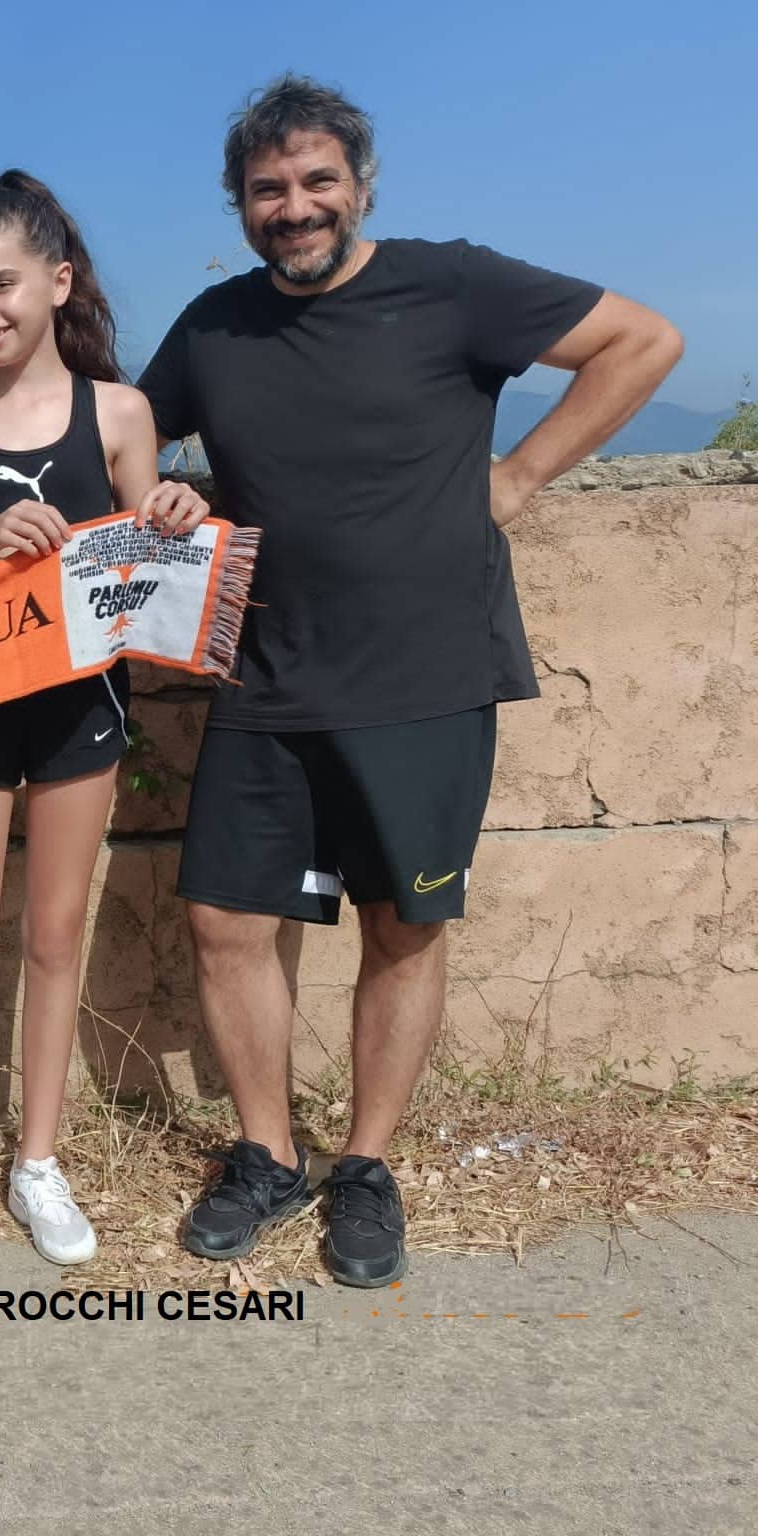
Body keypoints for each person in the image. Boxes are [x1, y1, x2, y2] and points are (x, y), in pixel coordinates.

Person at [137, 75, 683, 1287]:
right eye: (266, 189)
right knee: (225, 920)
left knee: (404, 922)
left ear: (360, 186)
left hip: (425, 672)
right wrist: (158, 490)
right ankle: (266, 1156)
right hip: (266, 671)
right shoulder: (213, 325)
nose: (294, 206)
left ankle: (364, 1167)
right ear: (238, 203)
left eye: (315, 180)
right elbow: (130, 426)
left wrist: (519, 476)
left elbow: (642, 341)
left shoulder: (453, 283)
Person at [0, 172, 209, 1270]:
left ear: (58, 283)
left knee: (56, 936)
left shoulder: (120, 413)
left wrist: (175, 508)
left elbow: (149, 564)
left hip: (81, 708)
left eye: (2, 284)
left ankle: (37, 1163)